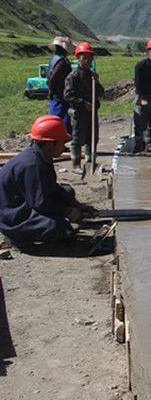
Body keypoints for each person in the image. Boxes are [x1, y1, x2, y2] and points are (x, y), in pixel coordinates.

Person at [0, 116, 97, 246]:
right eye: (62, 143)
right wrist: (66, 211)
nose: (63, 147)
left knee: (67, 191)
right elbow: (41, 203)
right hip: (12, 217)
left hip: (21, 202)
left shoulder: (42, 155)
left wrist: (75, 204)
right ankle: (15, 237)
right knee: (57, 226)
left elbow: (51, 187)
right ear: (49, 144)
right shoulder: (33, 165)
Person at [63, 42, 104, 173]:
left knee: (92, 137)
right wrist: (83, 103)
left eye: (90, 58)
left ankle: (90, 161)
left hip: (92, 112)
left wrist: (97, 81)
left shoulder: (92, 75)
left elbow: (101, 93)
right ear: (78, 58)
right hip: (79, 112)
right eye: (84, 57)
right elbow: (68, 96)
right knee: (77, 138)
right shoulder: (73, 76)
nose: (87, 61)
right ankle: (76, 164)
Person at [47, 36, 76, 136]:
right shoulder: (62, 61)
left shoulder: (54, 58)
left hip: (56, 94)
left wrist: (50, 90)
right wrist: (51, 89)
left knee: (57, 118)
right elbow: (54, 77)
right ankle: (60, 138)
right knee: (60, 119)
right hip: (60, 95)